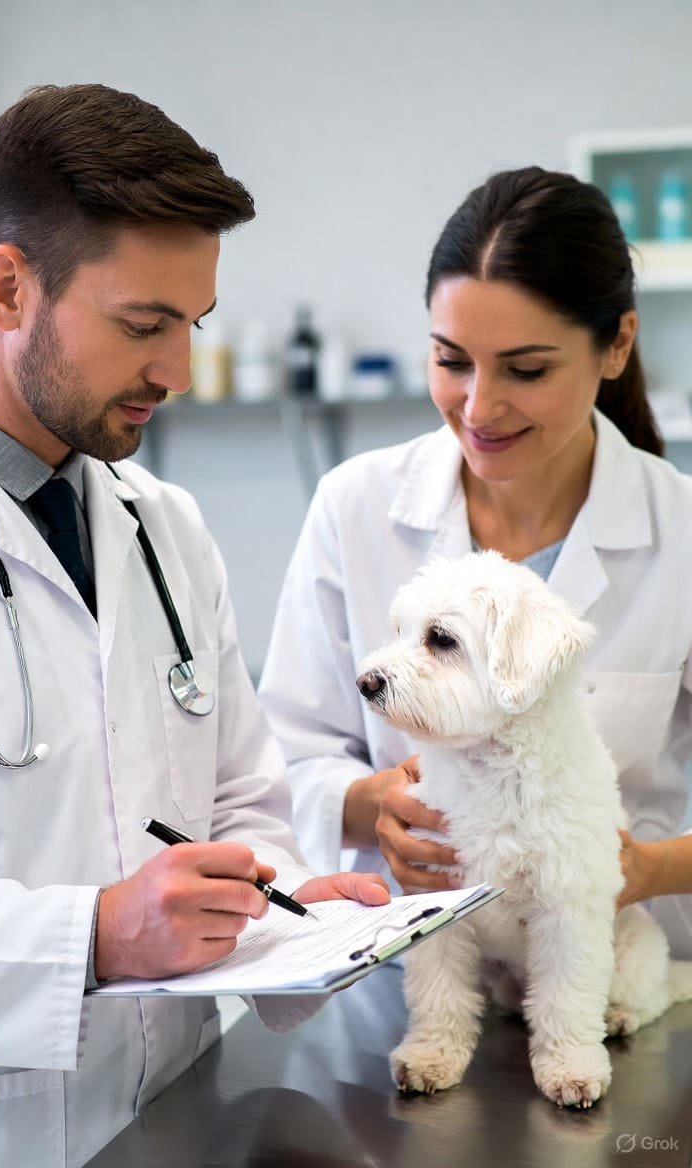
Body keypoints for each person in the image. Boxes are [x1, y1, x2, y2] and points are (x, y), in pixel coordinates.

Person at [0, 83, 390, 1168]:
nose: (175, 370)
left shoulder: (163, 525)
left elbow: (240, 800)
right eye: (144, 324)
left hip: (179, 1117)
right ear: (7, 285)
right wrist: (95, 935)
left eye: (192, 325)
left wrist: (281, 902)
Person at [259, 165, 692, 961]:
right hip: (400, 989)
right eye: (452, 361)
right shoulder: (355, 507)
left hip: (614, 992)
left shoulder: (682, 532)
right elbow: (280, 756)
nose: (480, 407)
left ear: (617, 345)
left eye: (526, 370)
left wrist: (643, 868)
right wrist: (370, 807)